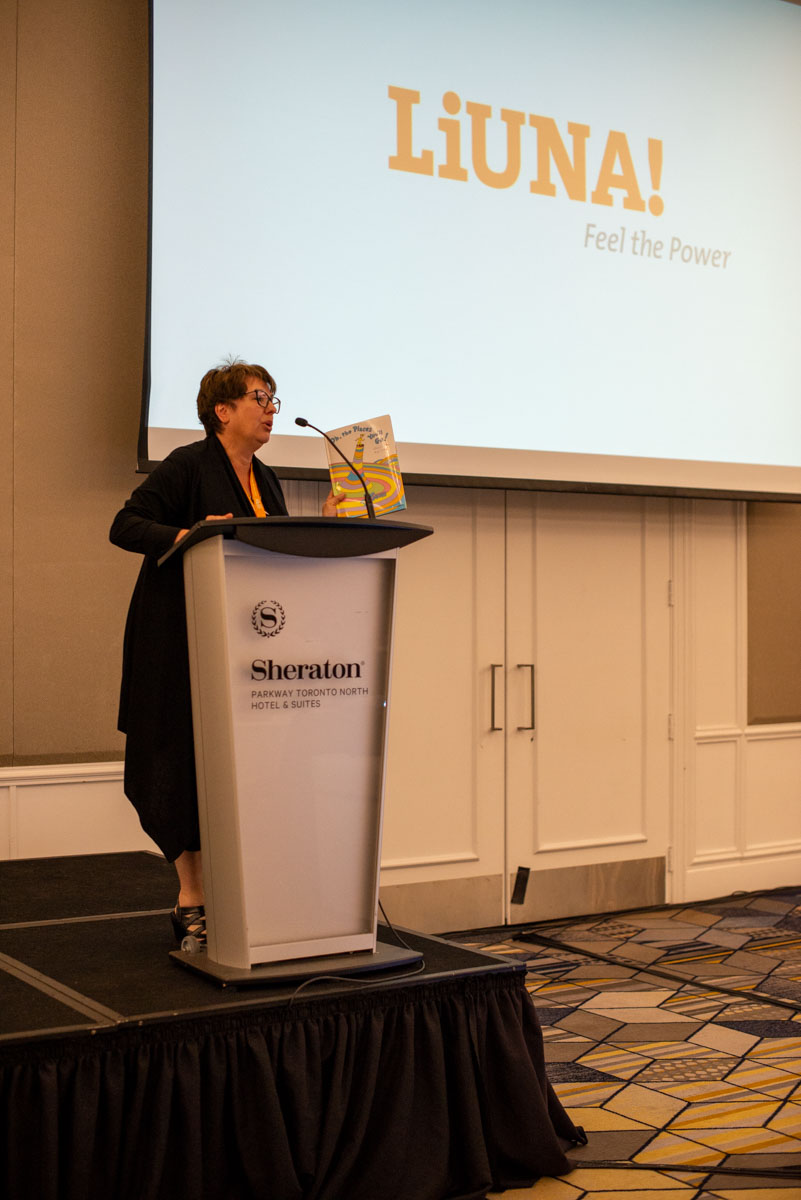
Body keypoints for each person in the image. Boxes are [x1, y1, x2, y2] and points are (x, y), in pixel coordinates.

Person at [110, 358, 339, 945]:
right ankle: (193, 894)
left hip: (249, 651)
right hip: (179, 644)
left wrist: (325, 526)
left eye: (273, 399)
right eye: (260, 398)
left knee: (241, 771)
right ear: (223, 410)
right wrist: (189, 535)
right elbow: (126, 524)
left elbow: (275, 555)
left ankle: (241, 891)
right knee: (178, 765)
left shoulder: (267, 479)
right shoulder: (188, 464)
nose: (271, 410)